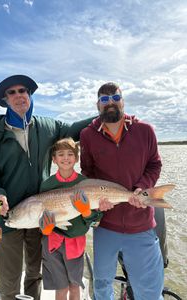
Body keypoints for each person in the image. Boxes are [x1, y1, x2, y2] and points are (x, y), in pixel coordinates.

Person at [0, 75, 95, 300]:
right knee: (10, 278)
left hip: (41, 217)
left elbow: (77, 129)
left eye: (23, 90)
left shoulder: (48, 126)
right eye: (12, 93)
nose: (19, 96)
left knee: (35, 274)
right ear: (5, 100)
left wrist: (108, 114)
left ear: (30, 95)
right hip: (9, 218)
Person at [80, 82, 164, 300]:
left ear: (123, 101)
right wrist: (97, 201)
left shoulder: (145, 130)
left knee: (148, 290)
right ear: (97, 105)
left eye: (115, 98)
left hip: (141, 224)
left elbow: (155, 164)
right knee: (101, 285)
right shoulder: (87, 136)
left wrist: (141, 189)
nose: (111, 103)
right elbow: (87, 173)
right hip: (106, 225)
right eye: (105, 99)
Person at [39, 137, 102, 300]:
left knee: (74, 286)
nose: (65, 158)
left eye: (70, 154)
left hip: (75, 242)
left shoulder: (85, 182)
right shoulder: (47, 185)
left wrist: (87, 212)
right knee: (60, 288)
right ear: (54, 159)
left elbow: (96, 219)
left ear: (76, 158)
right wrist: (45, 228)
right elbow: (40, 216)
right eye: (60, 154)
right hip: (52, 243)